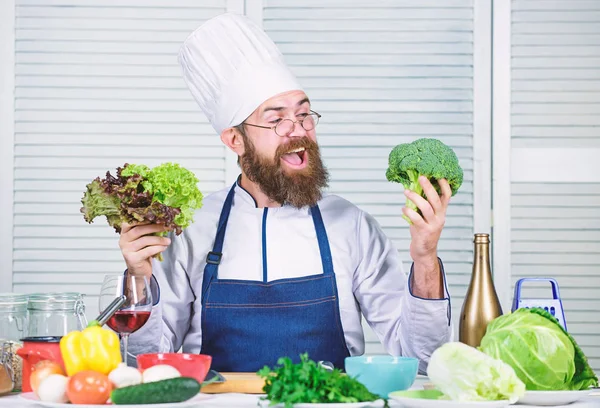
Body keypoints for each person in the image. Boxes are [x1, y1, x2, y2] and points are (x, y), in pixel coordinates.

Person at [123, 13, 452, 373]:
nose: (297, 130)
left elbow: (423, 360)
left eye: (304, 114)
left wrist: (425, 259)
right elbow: (143, 363)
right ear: (235, 140)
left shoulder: (352, 225)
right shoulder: (191, 227)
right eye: (276, 119)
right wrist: (139, 276)